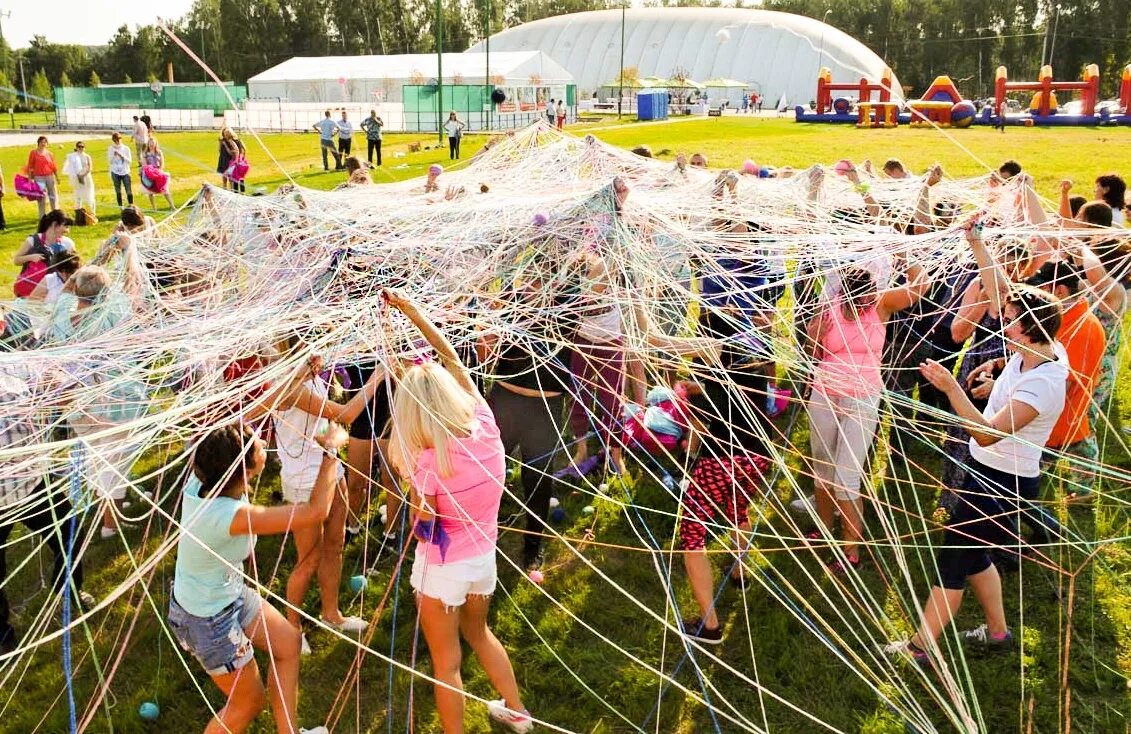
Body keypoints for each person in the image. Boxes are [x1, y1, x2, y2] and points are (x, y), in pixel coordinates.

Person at [886, 220, 1067, 665]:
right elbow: (999, 286)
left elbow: (985, 432)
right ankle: (999, 633)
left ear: (1029, 331)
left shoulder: (1043, 382)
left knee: (953, 561)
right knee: (975, 557)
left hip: (1003, 485)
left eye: (1011, 324)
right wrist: (976, 241)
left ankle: (920, 648)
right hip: (987, 472)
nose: (1003, 324)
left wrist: (953, 390)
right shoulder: (1039, 348)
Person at [382, 289, 534, 734]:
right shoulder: (486, 423)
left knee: (447, 665)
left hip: (443, 572)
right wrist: (413, 311)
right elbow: (450, 357)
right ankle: (517, 710)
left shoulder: (426, 465)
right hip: (482, 562)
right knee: (480, 634)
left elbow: (425, 530)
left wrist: (416, 503)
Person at [167, 422, 345, 734]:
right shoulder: (229, 516)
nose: (264, 441)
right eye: (258, 446)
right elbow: (316, 512)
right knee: (247, 703)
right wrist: (331, 451)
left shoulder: (201, 482)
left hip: (227, 593)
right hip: (207, 620)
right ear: (245, 470)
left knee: (289, 644)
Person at [805, 260, 927, 572]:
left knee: (847, 478)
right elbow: (811, 351)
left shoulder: (881, 304)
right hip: (825, 394)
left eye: (867, 298)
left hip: (863, 399)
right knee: (822, 467)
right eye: (857, 299)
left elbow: (919, 287)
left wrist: (909, 255)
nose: (863, 304)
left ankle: (850, 551)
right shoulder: (829, 307)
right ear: (844, 295)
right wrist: (813, 335)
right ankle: (823, 527)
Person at [271, 348, 383, 651]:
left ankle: (331, 614)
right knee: (309, 560)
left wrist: (330, 440)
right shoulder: (289, 386)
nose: (324, 356)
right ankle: (291, 630)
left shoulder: (311, 378)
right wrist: (377, 377)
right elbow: (345, 414)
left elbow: (322, 423)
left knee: (335, 544)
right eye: (316, 352)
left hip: (328, 466)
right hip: (304, 482)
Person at [0, 363, 94, 657]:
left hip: (32, 483)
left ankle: (68, 592)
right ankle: (2, 632)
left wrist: (61, 388)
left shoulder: (15, 368)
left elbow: (62, 387)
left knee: (70, 533)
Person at [26, 136, 58, 218]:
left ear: (47, 144)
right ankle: (42, 216)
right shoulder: (33, 153)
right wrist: (30, 179)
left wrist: (57, 177)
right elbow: (30, 166)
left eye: (45, 142)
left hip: (49, 176)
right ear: (38, 143)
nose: (43, 144)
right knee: (41, 197)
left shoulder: (50, 154)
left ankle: (55, 213)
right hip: (39, 177)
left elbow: (53, 166)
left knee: (53, 195)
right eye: (42, 142)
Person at [140, 137, 176, 210]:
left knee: (165, 189)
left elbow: (162, 163)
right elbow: (144, 164)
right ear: (148, 144)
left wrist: (159, 171)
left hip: (158, 172)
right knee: (150, 191)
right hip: (149, 173)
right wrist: (150, 171)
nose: (151, 144)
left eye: (153, 143)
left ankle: (172, 206)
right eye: (150, 143)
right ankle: (154, 208)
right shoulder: (145, 154)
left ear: (156, 143)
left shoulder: (159, 152)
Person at [62, 142, 95, 216]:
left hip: (86, 177)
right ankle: (79, 213)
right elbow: (69, 166)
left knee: (89, 194)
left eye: (82, 147)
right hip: (77, 178)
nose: (81, 148)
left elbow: (90, 167)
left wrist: (83, 175)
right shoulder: (73, 156)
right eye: (79, 147)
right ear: (76, 147)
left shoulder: (87, 156)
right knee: (78, 195)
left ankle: (92, 213)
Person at [108, 132, 134, 208]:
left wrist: (122, 156)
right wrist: (114, 155)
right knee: (118, 190)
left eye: (119, 139)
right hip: (115, 172)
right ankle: (121, 207)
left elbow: (129, 161)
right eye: (116, 139)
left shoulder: (126, 148)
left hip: (125, 172)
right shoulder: (110, 149)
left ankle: (131, 206)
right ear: (113, 140)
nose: (118, 141)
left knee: (128, 190)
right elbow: (110, 161)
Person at [217, 127, 247, 194]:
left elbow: (235, 151)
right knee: (227, 178)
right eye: (225, 134)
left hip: (231, 161)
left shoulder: (232, 141)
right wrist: (242, 157)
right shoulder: (224, 141)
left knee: (232, 178)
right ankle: (229, 191)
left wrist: (238, 159)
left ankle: (233, 192)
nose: (225, 135)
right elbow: (219, 150)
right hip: (225, 160)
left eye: (227, 134)